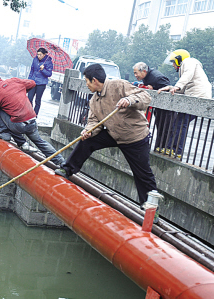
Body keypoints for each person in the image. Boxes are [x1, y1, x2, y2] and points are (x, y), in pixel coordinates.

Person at [55, 64, 157, 206]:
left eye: (87, 81)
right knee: (88, 141)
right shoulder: (94, 101)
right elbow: (93, 122)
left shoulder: (118, 85)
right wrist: (88, 130)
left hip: (134, 136)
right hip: (113, 133)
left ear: (94, 80)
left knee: (143, 174)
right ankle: (67, 169)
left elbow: (145, 97)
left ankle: (150, 206)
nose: (86, 84)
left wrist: (129, 100)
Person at [0, 69, 66, 166]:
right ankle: (61, 162)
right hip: (32, 122)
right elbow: (32, 83)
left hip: (19, 126)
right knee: (40, 142)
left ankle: (4, 133)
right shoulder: (14, 81)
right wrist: (21, 91)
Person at [157, 49, 212, 158]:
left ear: (179, 59)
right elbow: (183, 89)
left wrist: (178, 85)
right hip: (196, 96)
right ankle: (172, 149)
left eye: (173, 62)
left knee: (181, 123)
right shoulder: (187, 66)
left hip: (197, 97)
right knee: (179, 123)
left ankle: (175, 150)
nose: (173, 65)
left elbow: (188, 74)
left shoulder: (189, 62)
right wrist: (170, 88)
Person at [133, 62, 171, 152]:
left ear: (144, 71)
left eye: (136, 73)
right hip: (159, 107)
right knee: (159, 126)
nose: (135, 75)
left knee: (165, 128)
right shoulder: (146, 76)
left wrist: (154, 89)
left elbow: (168, 89)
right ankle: (159, 147)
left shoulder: (157, 77)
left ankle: (165, 148)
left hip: (166, 107)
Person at [27, 47, 53, 116]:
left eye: (40, 54)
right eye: (38, 54)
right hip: (33, 82)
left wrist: (43, 69)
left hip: (41, 84)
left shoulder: (48, 62)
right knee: (29, 99)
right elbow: (32, 70)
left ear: (44, 54)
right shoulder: (35, 60)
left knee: (37, 100)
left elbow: (49, 74)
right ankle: (29, 113)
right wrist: (29, 80)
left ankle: (34, 115)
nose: (38, 56)